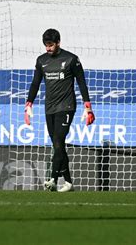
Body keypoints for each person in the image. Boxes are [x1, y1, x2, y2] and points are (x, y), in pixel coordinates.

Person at [24, 28, 95, 192]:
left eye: (51, 45)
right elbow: (35, 83)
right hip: (49, 108)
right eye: (46, 45)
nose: (48, 48)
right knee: (58, 145)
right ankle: (69, 182)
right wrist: (29, 104)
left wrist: (88, 106)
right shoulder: (41, 61)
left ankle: (52, 179)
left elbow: (81, 83)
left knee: (58, 141)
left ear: (58, 43)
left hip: (67, 106)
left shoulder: (71, 59)